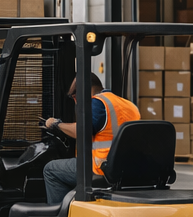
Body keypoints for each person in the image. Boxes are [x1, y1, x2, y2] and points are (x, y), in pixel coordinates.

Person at [41, 73, 141, 206]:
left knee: (51, 169)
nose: (76, 102)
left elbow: (81, 131)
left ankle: (61, 215)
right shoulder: (129, 105)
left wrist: (56, 124)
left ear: (85, 89)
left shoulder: (97, 103)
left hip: (100, 168)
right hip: (128, 168)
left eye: (75, 96)